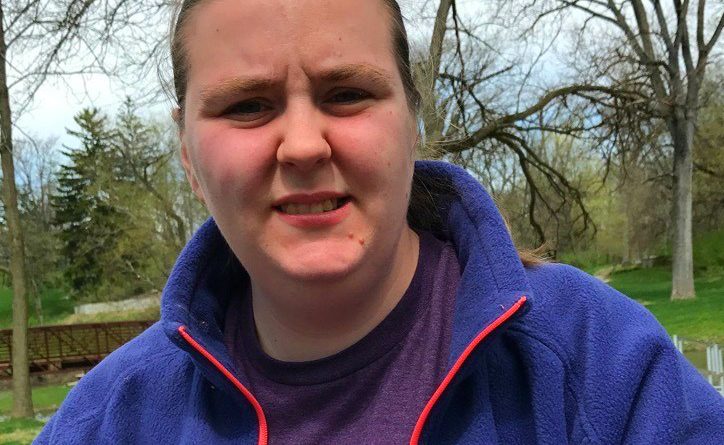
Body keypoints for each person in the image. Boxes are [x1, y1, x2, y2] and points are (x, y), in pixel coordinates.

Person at [35, 0, 723, 443]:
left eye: (346, 93)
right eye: (248, 105)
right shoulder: (107, 421)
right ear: (188, 155)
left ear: (411, 123)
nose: (303, 145)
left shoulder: (599, 363)